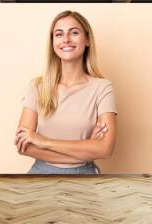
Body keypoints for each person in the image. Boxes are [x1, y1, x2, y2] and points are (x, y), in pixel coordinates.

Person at [14, 10, 117, 174]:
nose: (66, 40)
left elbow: (105, 149)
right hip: (40, 175)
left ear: (87, 39)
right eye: (59, 34)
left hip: (85, 175)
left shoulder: (103, 88)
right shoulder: (37, 86)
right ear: (53, 42)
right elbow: (23, 147)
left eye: (74, 32)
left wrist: (44, 141)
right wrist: (86, 149)